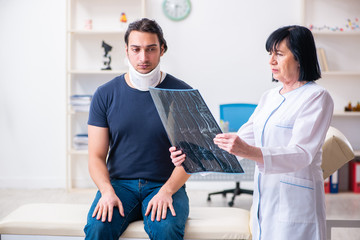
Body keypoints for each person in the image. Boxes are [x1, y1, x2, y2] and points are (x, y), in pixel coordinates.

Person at [170, 25, 334, 240]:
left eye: (279, 54)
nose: (271, 61)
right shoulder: (270, 97)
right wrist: (192, 157)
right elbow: (236, 141)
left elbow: (302, 153)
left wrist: (250, 151)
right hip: (265, 201)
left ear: (300, 58)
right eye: (270, 54)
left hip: (296, 202)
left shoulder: (317, 97)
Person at [84, 18, 192, 240]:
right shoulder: (105, 94)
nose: (143, 57)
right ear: (126, 51)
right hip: (119, 185)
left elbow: (193, 157)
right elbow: (95, 156)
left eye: (151, 49)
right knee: (98, 228)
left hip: (165, 183)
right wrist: (106, 191)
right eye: (136, 49)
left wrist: (167, 191)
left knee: (166, 229)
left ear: (162, 50)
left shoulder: (182, 93)